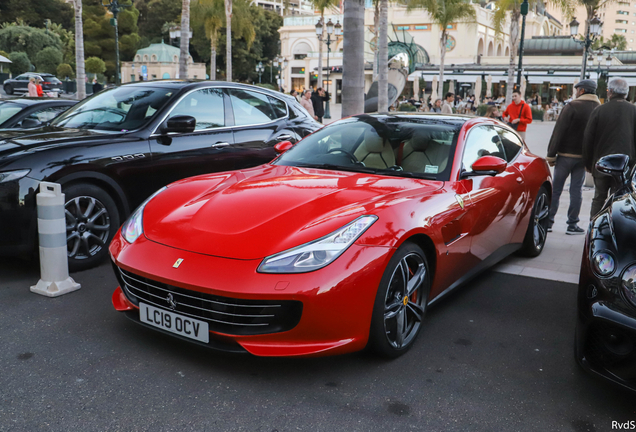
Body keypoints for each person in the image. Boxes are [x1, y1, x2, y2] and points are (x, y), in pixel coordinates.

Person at [545, 79, 601, 235]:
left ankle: (548, 222)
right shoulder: (598, 108)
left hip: (564, 156)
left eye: (577, 89)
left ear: (582, 91)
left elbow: (558, 132)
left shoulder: (571, 107)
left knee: (556, 189)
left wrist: (551, 155)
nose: (576, 92)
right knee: (576, 191)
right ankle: (572, 224)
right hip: (583, 158)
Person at [583, 77, 636, 217]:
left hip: (602, 164)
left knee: (599, 198)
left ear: (610, 92)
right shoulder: (634, 111)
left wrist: (588, 163)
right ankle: (615, 228)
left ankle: (594, 227)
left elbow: (588, 139)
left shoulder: (599, 110)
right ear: (626, 93)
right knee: (619, 199)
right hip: (625, 166)